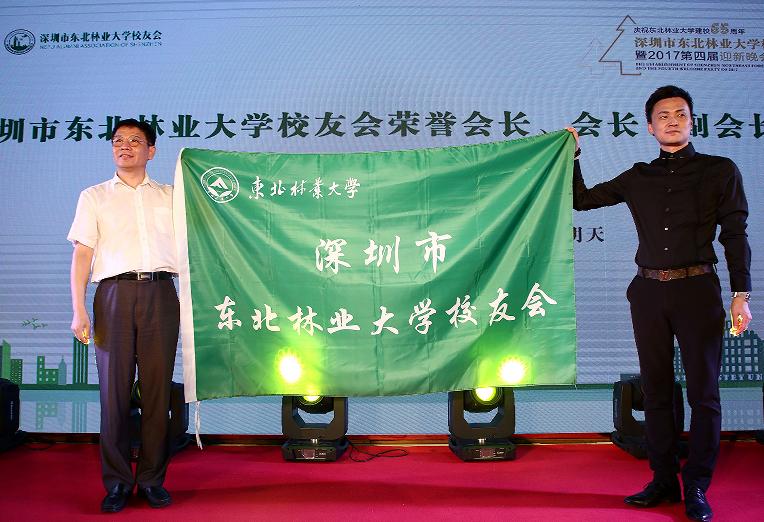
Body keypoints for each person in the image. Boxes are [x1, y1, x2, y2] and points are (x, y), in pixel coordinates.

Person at [569, 85, 752, 522]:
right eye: (663, 116)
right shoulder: (638, 177)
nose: (673, 121)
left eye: (681, 114)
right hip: (648, 292)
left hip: (697, 289)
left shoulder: (720, 171)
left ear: (692, 122)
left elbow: (734, 234)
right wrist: (571, 155)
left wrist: (741, 296)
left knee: (704, 394)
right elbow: (581, 200)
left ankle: (697, 486)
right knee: (656, 390)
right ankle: (663, 479)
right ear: (650, 127)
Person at [68, 118, 179, 513]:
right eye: (118, 141)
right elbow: (82, 254)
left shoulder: (172, 196)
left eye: (135, 140)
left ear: (151, 151)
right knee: (113, 395)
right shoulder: (94, 196)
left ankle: (151, 480)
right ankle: (116, 483)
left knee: (157, 393)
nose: (125, 147)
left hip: (161, 294)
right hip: (113, 295)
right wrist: (78, 308)